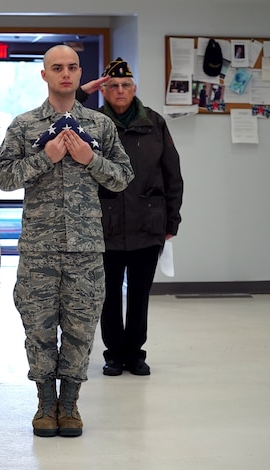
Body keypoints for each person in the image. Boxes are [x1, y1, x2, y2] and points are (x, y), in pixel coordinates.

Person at [0, 45, 134, 438]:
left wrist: (91, 159)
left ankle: (69, 404)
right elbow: (2, 177)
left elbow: (123, 177)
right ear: (44, 75)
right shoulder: (24, 126)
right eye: (57, 68)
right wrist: (45, 157)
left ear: (79, 72)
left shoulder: (101, 126)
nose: (65, 74)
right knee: (38, 327)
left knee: (80, 327)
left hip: (86, 249)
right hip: (39, 247)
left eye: (72, 67)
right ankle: (43, 403)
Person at [94, 58, 184, 377]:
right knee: (107, 294)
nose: (120, 90)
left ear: (135, 89)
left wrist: (172, 221)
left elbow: (172, 174)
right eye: (113, 85)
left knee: (139, 293)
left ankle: (135, 353)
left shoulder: (155, 123)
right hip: (105, 226)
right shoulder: (92, 123)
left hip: (148, 224)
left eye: (126, 85)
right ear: (103, 90)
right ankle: (113, 354)